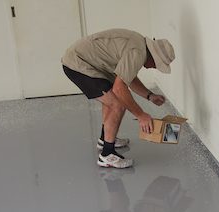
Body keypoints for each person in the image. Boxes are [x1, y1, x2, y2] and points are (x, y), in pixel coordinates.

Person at [61, 28, 175, 168]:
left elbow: (128, 78)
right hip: (78, 65)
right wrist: (141, 115)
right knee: (117, 104)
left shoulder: (139, 45)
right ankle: (107, 155)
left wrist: (150, 96)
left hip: (86, 62)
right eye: (157, 65)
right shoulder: (137, 52)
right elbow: (120, 88)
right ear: (154, 57)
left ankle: (105, 139)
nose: (154, 68)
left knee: (113, 100)